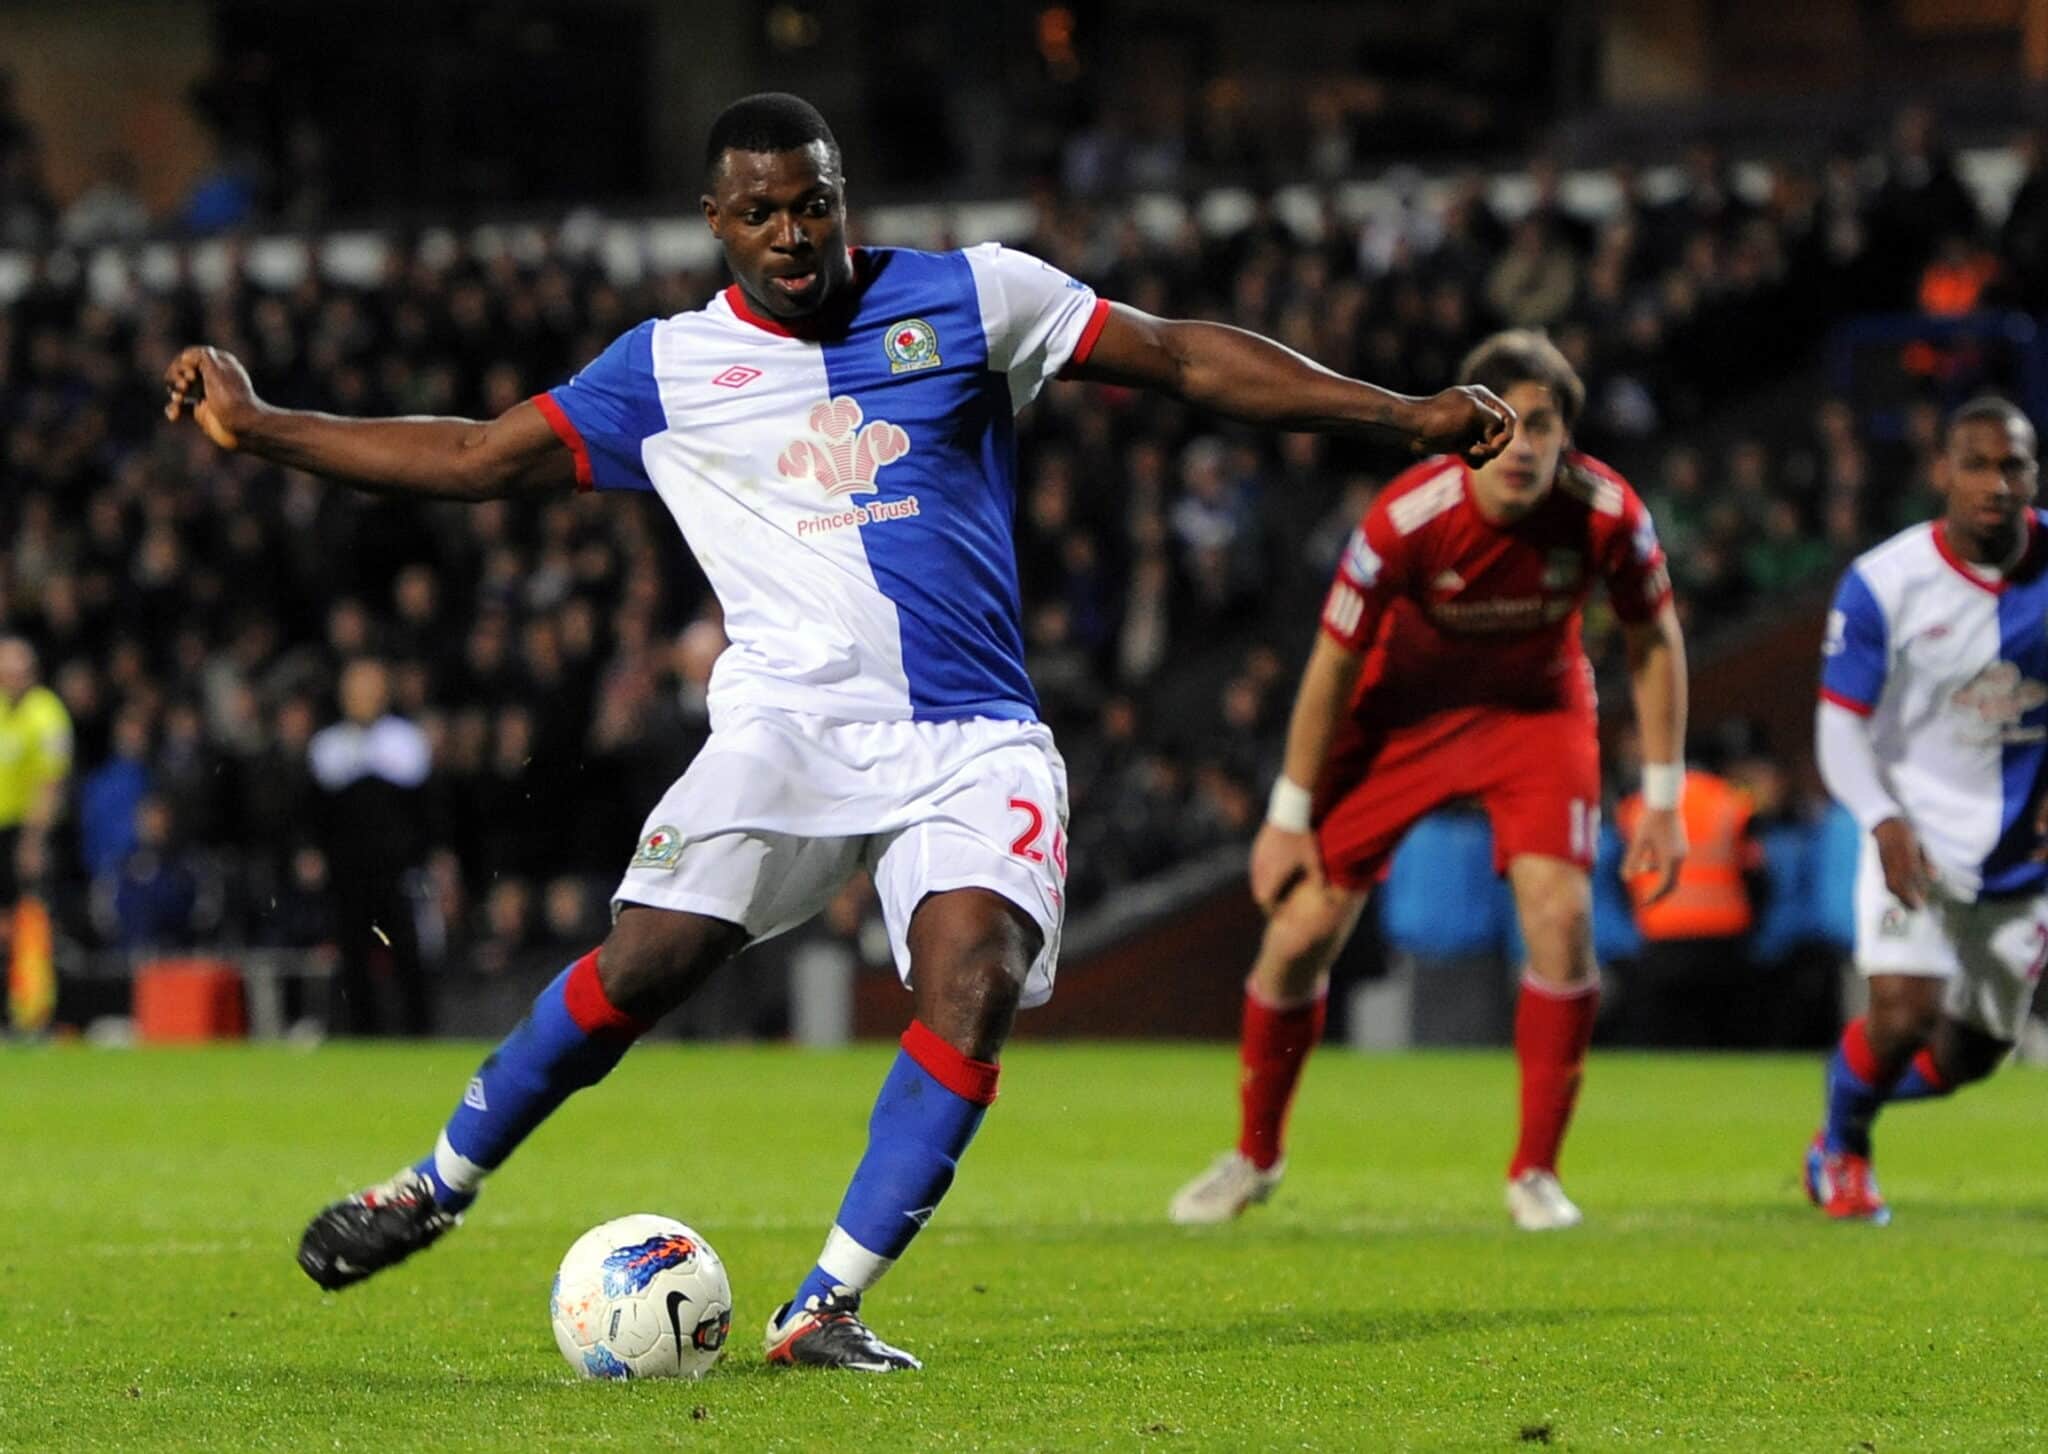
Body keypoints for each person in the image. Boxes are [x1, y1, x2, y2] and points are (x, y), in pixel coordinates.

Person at [162, 92, 1511, 1373]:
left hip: (973, 735)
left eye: (812, 205)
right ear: (716, 222)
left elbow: (1176, 356)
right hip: (790, 727)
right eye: (761, 214)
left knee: (970, 977)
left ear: (841, 199)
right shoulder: (673, 369)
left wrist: (1397, 415)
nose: (793, 234)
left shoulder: (974, 294)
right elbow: (470, 457)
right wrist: (262, 424)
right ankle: (432, 1185)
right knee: (647, 963)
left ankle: (826, 1304)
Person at [1167, 330, 1688, 1233]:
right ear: (1472, 429)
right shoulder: (1406, 520)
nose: (1524, 445)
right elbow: (1333, 663)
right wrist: (1287, 817)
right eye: (1507, 424)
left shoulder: (1607, 512)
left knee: (1563, 920)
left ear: (1569, 436)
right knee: (1299, 935)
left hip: (1535, 713)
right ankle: (1254, 1156)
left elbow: (1654, 638)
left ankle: (1536, 1174)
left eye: (1545, 426)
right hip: (1400, 720)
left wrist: (1668, 798)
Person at [1806, 396, 2048, 1224]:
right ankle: (1845, 1149)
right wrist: (1881, 817)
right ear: (1943, 472)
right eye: (1977, 463)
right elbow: (1840, 723)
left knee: (1975, 1056)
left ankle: (1847, 1107)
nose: (1996, 482)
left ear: (2033, 475)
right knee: (1903, 1011)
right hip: (1914, 837)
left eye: (2013, 464)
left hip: (2023, 857)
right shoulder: (1886, 582)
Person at [308, 658, 434, 1035]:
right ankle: (361, 1034)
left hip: (396, 871)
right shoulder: (327, 746)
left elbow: (425, 811)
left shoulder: (407, 742)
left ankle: (418, 1034)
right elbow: (315, 815)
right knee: (353, 958)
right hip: (347, 872)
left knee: (407, 956)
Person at [1612, 741, 1759, 1047]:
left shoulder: (1637, 806)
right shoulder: (1731, 801)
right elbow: (1755, 869)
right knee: (1721, 1032)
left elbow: (1620, 872)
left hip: (1662, 931)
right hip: (1724, 932)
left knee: (1667, 1033)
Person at [0, 637, 73, 1033]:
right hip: (2, 829)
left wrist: (34, 840)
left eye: (16, 673)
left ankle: (37, 1012)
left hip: (31, 831)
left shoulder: (46, 713)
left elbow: (52, 782)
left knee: (33, 921)